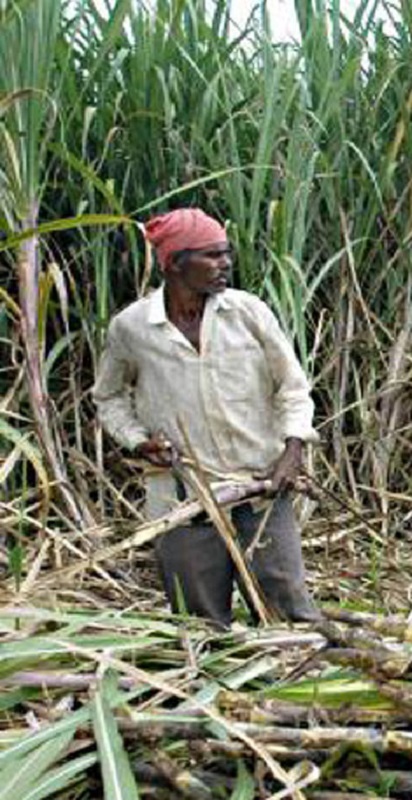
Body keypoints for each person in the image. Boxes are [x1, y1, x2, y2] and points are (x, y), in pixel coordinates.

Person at [93, 208, 321, 625]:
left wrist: (292, 451)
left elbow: (293, 387)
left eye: (226, 254)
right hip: (183, 495)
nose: (225, 264)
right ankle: (215, 687)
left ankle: (295, 684)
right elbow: (107, 398)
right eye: (212, 256)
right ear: (175, 263)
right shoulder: (133, 328)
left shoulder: (248, 313)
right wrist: (138, 440)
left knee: (288, 612)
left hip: (261, 486)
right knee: (200, 623)